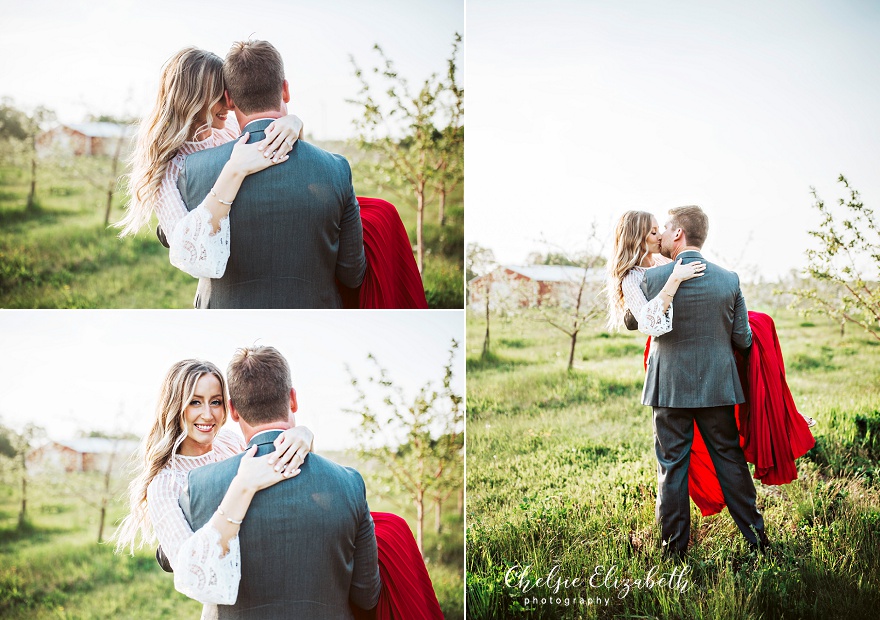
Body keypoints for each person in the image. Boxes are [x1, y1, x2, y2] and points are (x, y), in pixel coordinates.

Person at [180, 345, 444, 619]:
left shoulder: (200, 484)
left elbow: (174, 559)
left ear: (233, 410)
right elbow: (368, 596)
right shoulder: (350, 483)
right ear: (293, 399)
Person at [113, 359, 314, 620]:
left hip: (277, 587)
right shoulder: (164, 485)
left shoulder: (230, 442)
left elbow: (283, 476)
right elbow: (190, 571)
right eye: (195, 402)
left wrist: (304, 435)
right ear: (175, 406)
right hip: (228, 609)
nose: (208, 414)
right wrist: (242, 487)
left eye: (216, 402)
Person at [115, 46, 304, 308]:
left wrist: (293, 123)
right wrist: (234, 171)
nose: (230, 103)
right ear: (193, 98)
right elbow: (188, 248)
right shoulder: (167, 165)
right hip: (224, 287)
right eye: (220, 95)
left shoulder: (226, 128)